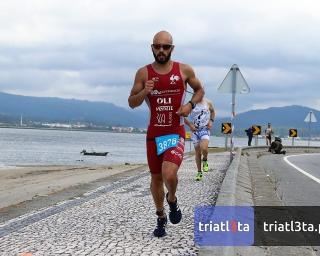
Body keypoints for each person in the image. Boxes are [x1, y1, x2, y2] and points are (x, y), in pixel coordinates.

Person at [128, 31, 204, 237]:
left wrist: (189, 105)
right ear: (152, 47)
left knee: (169, 173)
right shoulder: (143, 73)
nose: (161, 50)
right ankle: (161, 216)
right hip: (154, 134)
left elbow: (200, 91)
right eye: (157, 46)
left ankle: (172, 199)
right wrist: (145, 92)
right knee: (155, 179)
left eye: (166, 47)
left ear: (172, 48)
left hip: (174, 132)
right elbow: (132, 102)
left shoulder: (184, 70)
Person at [184, 98, 215, 181]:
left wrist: (211, 121)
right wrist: (190, 124)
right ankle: (199, 172)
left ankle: (205, 159)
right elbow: (182, 115)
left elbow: (213, 112)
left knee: (204, 148)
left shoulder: (208, 102)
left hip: (205, 129)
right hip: (195, 131)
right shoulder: (190, 104)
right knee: (197, 152)